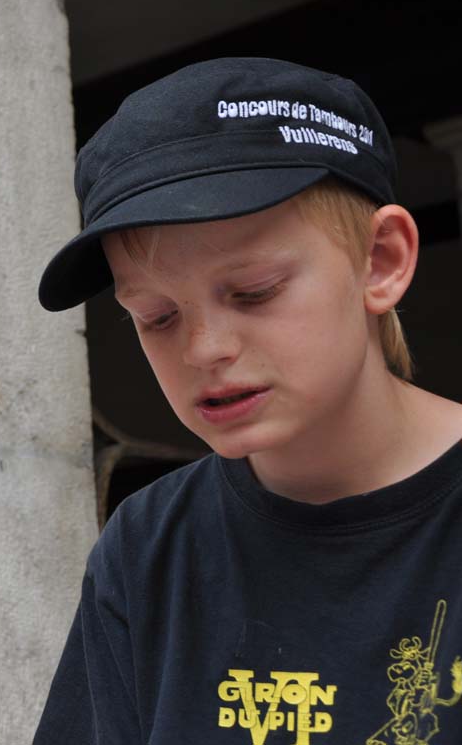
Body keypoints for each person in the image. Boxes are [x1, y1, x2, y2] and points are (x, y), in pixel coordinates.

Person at [32, 57, 462, 743]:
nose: (203, 348)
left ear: (381, 260)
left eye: (254, 291)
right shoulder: (147, 547)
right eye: (155, 316)